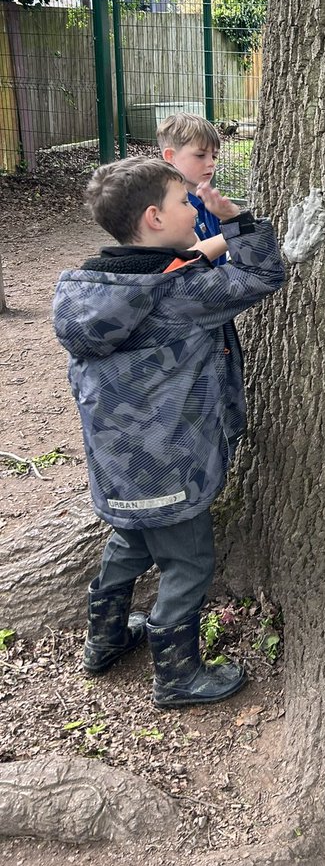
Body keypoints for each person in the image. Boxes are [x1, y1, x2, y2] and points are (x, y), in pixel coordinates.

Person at [53, 158, 285, 707]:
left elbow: (182, 267)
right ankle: (177, 674)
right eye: (187, 202)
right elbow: (260, 276)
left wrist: (205, 244)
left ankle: (104, 640)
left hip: (118, 468)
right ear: (156, 217)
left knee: (130, 540)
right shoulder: (178, 298)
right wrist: (238, 221)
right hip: (172, 464)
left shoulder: (98, 287)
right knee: (189, 561)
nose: (196, 207)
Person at [157, 112, 227, 264]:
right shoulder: (170, 207)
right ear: (170, 156)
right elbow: (193, 256)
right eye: (200, 155)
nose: (211, 163)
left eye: (214, 156)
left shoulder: (208, 200)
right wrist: (237, 230)